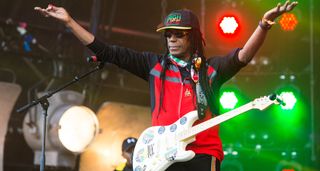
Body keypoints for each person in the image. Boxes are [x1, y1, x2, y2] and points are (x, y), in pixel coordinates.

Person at [35, 1, 298, 170]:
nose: (171, 40)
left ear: (193, 37)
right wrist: (70, 22)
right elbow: (108, 51)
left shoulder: (210, 70)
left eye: (178, 34)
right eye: (168, 35)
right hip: (161, 154)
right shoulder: (154, 66)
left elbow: (242, 56)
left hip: (201, 154)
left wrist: (264, 24)